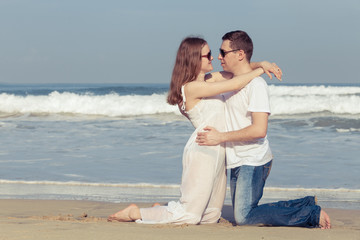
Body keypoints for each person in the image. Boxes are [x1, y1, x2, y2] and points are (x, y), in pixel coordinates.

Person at [107, 37, 281, 224]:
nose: (213, 58)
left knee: (211, 216)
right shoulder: (191, 88)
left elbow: (238, 70)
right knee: (189, 216)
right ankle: (136, 213)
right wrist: (262, 69)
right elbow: (236, 83)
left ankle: (159, 210)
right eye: (208, 55)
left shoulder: (209, 80)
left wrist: (259, 63)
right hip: (204, 149)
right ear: (194, 59)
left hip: (220, 151)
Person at [196, 30, 331, 229]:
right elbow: (202, 81)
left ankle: (310, 214)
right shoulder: (228, 80)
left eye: (223, 52)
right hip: (236, 160)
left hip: (253, 159)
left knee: (244, 217)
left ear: (240, 54)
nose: (218, 57)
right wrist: (260, 64)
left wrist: (220, 137)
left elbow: (259, 130)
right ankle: (306, 202)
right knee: (247, 212)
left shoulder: (256, 86)